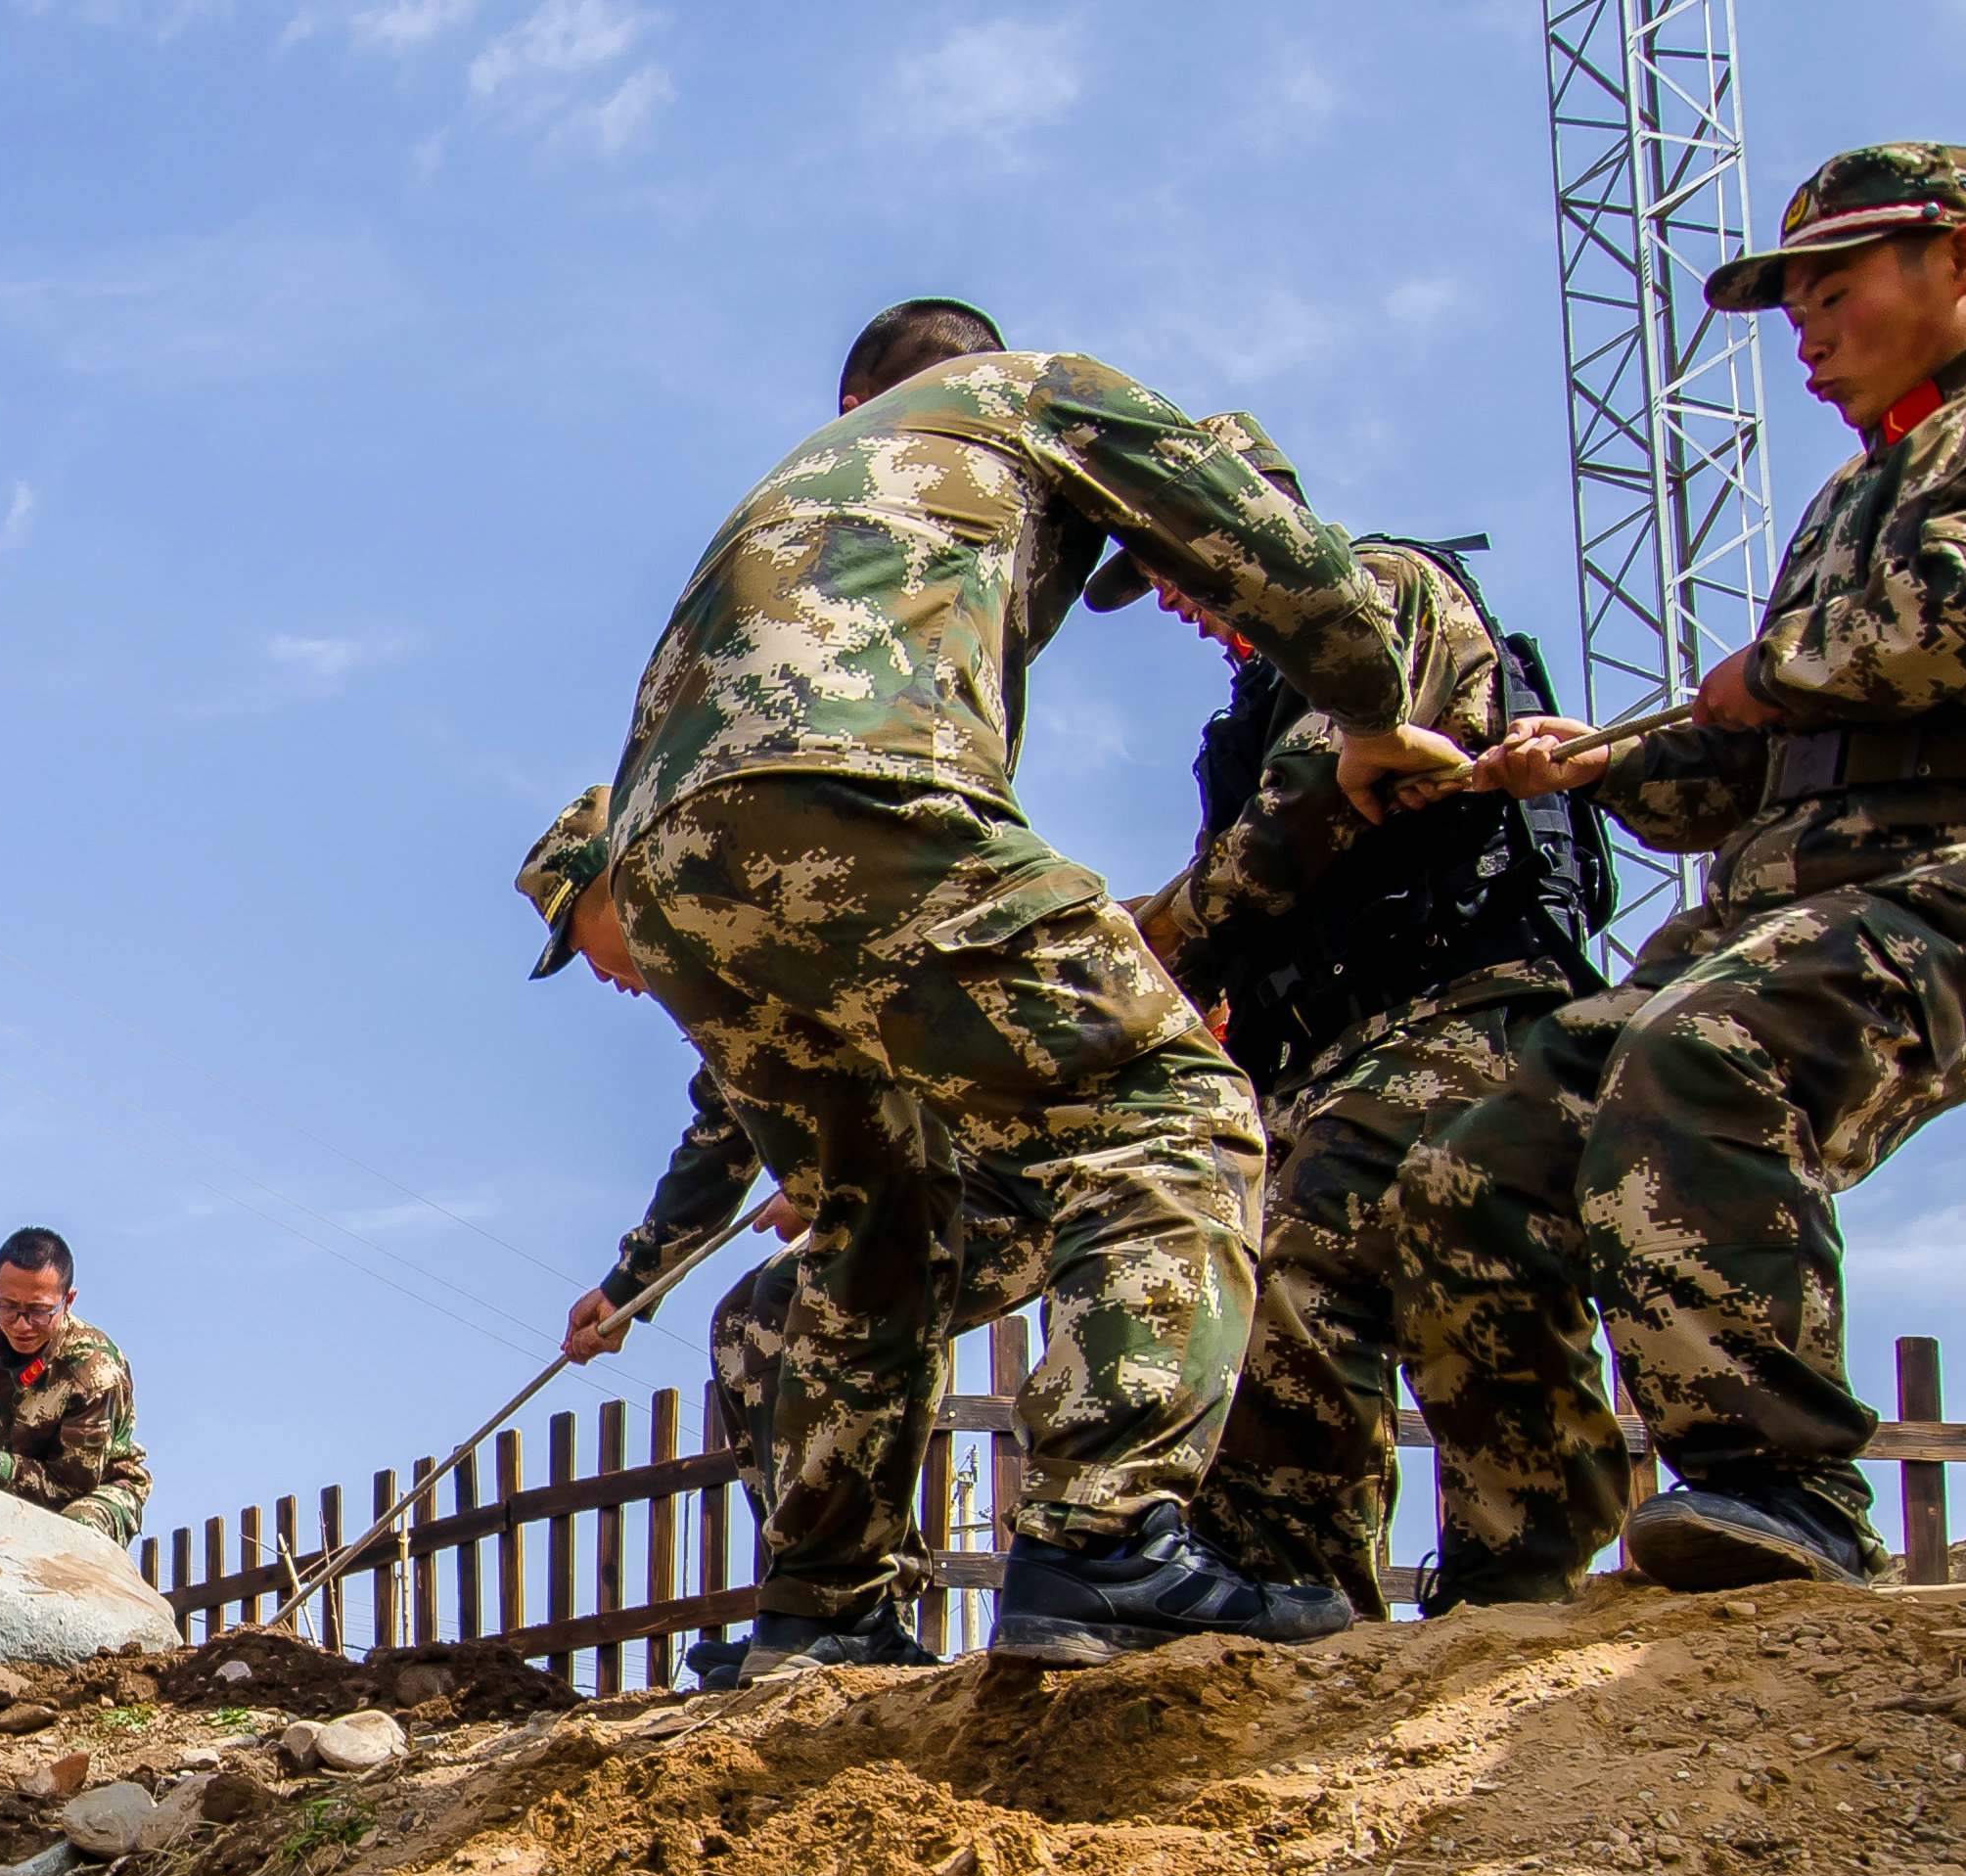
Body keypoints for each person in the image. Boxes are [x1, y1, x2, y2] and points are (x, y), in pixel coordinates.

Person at [545, 296, 1458, 1683]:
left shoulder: (814, 486)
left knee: (873, 1219)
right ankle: (1105, 1540)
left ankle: (822, 1604)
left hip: (672, 855)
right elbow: (1251, 538)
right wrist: (1370, 699)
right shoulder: (1032, 391)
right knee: (1168, 1111)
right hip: (852, 789)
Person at [1396, 145, 1966, 1601]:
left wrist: (1772, 671)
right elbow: (1729, 780)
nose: (1802, 330)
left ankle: (1781, 1491)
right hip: (1779, 897)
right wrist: (1604, 763)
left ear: (1958, 257)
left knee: (1702, 1060)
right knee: (1473, 1161)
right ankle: (1517, 1554)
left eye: (1833, 288)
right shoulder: (1839, 503)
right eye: (1789, 300)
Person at [1109, 424, 1606, 1618]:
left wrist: (1156, 933)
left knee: (1393, 1231)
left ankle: (1518, 1573)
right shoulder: (1245, 711)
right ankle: (1287, 1592)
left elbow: (1294, 821)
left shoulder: (1379, 592)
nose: (1170, 597)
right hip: (1322, 1044)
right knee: (1262, 1277)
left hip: (1456, 1000)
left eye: (1174, 559)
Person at [550, 849, 1047, 1679]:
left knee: (817, 1298)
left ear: (620, 888)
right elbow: (720, 1144)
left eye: (578, 938)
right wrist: (627, 1290)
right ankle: (833, 1606)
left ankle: (842, 1606)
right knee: (753, 1319)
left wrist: (834, 1179)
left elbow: (937, 1046)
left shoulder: (788, 928)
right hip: (917, 1185)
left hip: (1022, 1176)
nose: (598, 975)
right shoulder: (726, 982)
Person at [0, 1226, 151, 1545]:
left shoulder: (94, 1372)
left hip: (94, 1490)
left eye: (39, 1311)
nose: (21, 1324)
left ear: (67, 1301)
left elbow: (71, 1487)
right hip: (10, 1482)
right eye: (8, 1305)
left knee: (70, 1537)